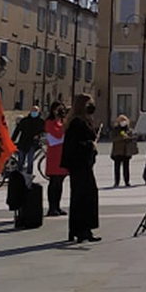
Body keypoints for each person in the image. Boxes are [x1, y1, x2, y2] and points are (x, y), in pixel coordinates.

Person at [62, 94, 101, 243]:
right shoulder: (77, 123)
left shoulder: (82, 121)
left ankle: (81, 230)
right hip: (79, 164)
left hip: (83, 164)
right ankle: (82, 230)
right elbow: (74, 145)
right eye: (89, 103)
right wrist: (90, 145)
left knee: (83, 196)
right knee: (84, 196)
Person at [45, 101, 69, 216]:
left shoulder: (62, 121)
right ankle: (51, 207)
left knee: (60, 182)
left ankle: (57, 206)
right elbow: (58, 135)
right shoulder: (50, 122)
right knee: (54, 182)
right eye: (59, 109)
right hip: (54, 155)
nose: (61, 112)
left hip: (62, 153)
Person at [12, 105, 45, 174]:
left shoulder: (41, 122)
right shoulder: (25, 121)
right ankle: (19, 175)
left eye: (35, 111)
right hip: (23, 143)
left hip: (33, 143)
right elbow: (17, 131)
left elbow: (43, 132)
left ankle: (29, 175)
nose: (34, 112)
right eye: (33, 110)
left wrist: (38, 136)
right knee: (21, 160)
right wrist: (12, 140)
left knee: (30, 160)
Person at [110, 114, 138, 187]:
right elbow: (113, 139)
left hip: (126, 151)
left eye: (124, 120)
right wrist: (122, 137)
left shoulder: (129, 130)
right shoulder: (115, 129)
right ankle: (116, 182)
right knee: (117, 168)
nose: (123, 122)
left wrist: (128, 137)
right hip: (117, 151)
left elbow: (133, 138)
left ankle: (127, 181)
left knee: (126, 168)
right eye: (121, 121)